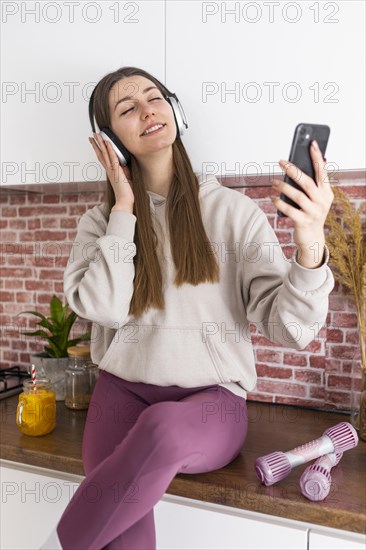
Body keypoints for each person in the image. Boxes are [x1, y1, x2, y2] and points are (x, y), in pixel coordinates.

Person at [40, 66, 335, 550]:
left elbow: (291, 329)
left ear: (174, 110)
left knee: (161, 430)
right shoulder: (99, 223)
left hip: (211, 405)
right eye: (127, 108)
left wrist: (309, 250)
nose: (147, 110)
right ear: (110, 142)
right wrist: (123, 210)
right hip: (119, 395)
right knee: (120, 537)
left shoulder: (233, 213)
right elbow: (103, 309)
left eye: (154, 97)